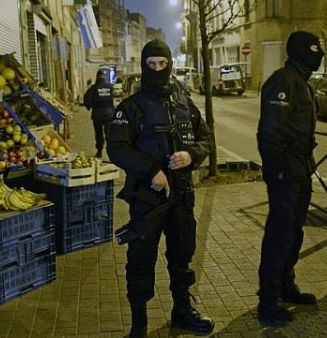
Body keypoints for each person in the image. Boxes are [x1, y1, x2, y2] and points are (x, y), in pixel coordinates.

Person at [107, 39, 214, 337]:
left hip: (182, 196)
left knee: (182, 256)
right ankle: (138, 325)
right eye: (151, 64)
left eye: (162, 64)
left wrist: (191, 155)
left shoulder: (183, 103)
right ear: (143, 66)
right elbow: (116, 148)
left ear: (170, 64)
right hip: (147, 198)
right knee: (141, 260)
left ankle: (182, 311)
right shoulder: (130, 107)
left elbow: (206, 139)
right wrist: (150, 170)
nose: (157, 69)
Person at [256, 31, 324, 327]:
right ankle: (268, 300)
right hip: (286, 173)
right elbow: (270, 133)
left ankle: (286, 285)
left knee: (294, 232)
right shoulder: (284, 81)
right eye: (314, 49)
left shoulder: (302, 82)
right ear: (299, 51)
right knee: (280, 235)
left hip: (299, 170)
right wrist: (278, 171)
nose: (319, 53)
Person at [84, 70, 114, 158]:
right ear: (104, 77)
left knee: (99, 134)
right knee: (109, 133)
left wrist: (88, 107)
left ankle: (99, 151)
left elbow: (86, 99)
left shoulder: (94, 88)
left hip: (97, 115)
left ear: (97, 77)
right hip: (109, 114)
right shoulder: (110, 87)